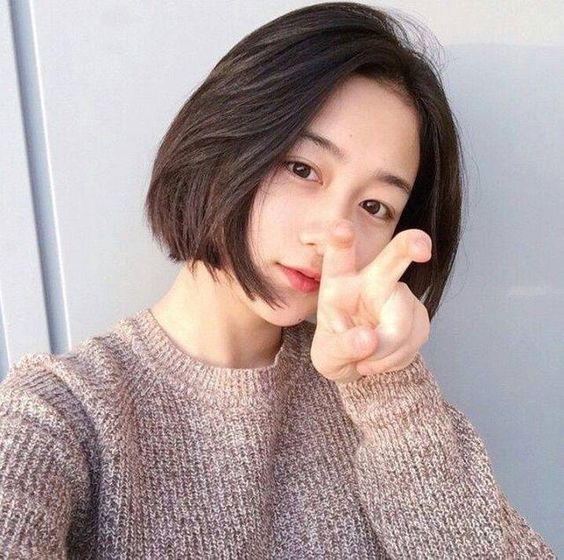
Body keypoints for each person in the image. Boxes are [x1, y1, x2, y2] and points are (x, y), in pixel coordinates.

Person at [0, 2, 556, 558]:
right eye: (302, 169)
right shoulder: (61, 416)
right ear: (224, 144)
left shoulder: (375, 403)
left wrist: (385, 382)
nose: (333, 232)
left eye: (374, 206)